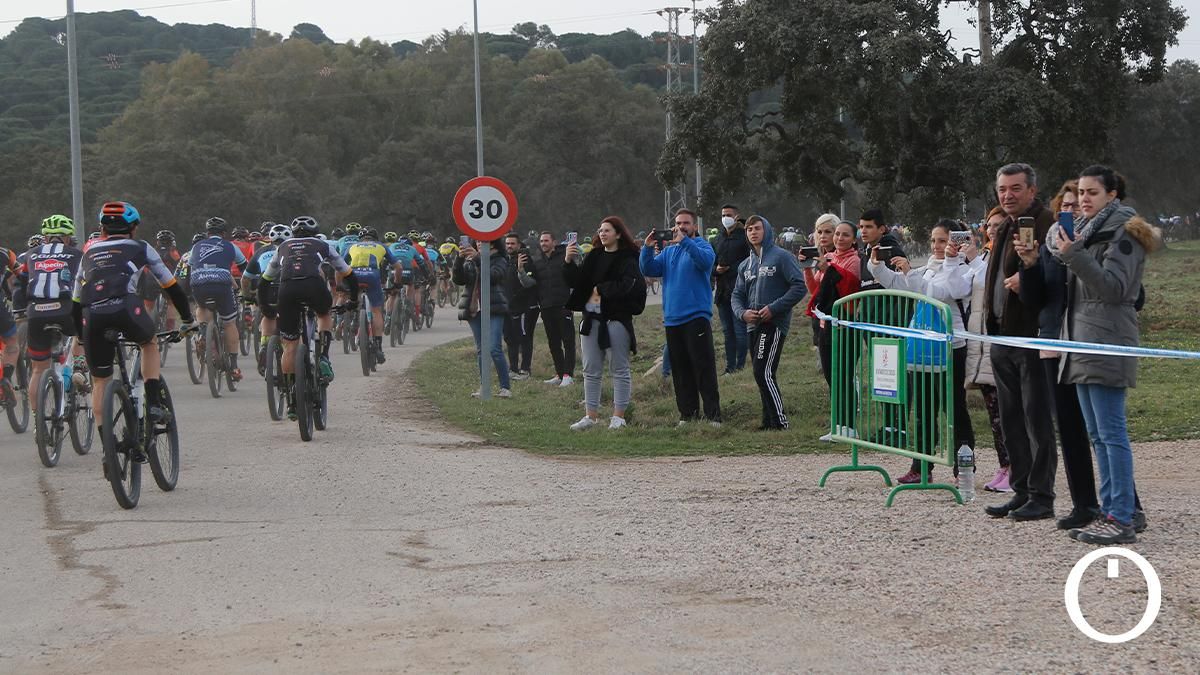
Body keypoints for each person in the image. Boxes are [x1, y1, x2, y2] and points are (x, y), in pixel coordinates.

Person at [1018, 165, 1159, 544]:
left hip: (1106, 340)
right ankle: (1110, 511)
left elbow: (1115, 289)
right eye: (1080, 192)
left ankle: (1121, 516)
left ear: (1112, 195)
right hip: (1078, 341)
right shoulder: (1083, 233)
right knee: (1097, 434)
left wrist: (1074, 255)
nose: (1083, 199)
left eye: (1092, 193)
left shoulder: (1124, 232)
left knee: (1111, 433)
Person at [72, 202, 195, 447]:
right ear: (134, 228)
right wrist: (188, 320)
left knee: (100, 381)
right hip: (126, 308)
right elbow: (171, 287)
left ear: (102, 229)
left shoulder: (89, 252)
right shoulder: (141, 247)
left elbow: (76, 301)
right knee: (149, 343)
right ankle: (154, 403)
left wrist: (81, 336)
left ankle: (108, 447)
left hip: (92, 314)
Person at [868, 219, 976, 483]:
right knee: (924, 410)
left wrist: (910, 273)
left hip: (951, 350)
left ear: (956, 242)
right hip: (923, 349)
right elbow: (900, 286)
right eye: (933, 240)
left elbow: (938, 294)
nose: (937, 246)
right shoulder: (927, 269)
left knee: (954, 409)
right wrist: (878, 266)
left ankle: (963, 468)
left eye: (943, 240)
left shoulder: (963, 270)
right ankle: (921, 467)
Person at [981, 163, 1058, 522]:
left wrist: (1028, 276)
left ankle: (1042, 495)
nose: (1008, 195)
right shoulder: (1005, 226)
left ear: (1032, 190)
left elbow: (1053, 277)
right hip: (1001, 334)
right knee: (1011, 419)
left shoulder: (1045, 223)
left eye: (1015, 188)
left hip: (1030, 334)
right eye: (1002, 189)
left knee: (1036, 419)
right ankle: (1022, 489)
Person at [260, 217, 355, 419]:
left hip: (287, 290)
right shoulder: (322, 244)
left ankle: (291, 400)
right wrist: (353, 299)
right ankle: (323, 357)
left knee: (290, 346)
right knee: (323, 313)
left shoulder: (283, 247)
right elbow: (347, 273)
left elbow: (265, 280)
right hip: (314, 286)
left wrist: (265, 306)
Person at [639, 208, 722, 427]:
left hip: (696, 316)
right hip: (673, 319)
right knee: (681, 370)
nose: (681, 227)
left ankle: (713, 415)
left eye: (686, 223)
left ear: (694, 226)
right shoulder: (669, 252)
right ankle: (688, 414)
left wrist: (685, 242)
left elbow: (705, 262)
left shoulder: (703, 246)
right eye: (678, 223)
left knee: (703, 368)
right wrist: (647, 248)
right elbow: (649, 269)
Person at [564, 216, 647, 430]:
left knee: (619, 368)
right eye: (600, 230)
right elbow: (578, 283)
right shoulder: (594, 256)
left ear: (618, 234)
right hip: (591, 319)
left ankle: (618, 417)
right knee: (590, 369)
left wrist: (601, 288)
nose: (602, 233)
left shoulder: (629, 258)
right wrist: (568, 262)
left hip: (616, 319)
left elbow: (629, 285)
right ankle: (590, 416)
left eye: (607, 230)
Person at [731, 216, 806, 430]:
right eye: (749, 229)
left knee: (762, 371)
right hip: (751, 325)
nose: (753, 232)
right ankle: (768, 423)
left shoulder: (782, 257)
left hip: (774, 324)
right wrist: (742, 313)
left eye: (757, 228)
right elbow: (737, 295)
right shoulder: (745, 264)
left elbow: (799, 287)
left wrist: (773, 308)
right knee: (761, 372)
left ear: (766, 230)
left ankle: (780, 422)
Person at [957, 207, 1012, 492]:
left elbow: (993, 283)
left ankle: (1016, 467)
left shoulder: (1008, 256)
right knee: (994, 411)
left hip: (999, 340)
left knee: (1007, 410)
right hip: (981, 342)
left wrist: (974, 260)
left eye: (999, 225)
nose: (992, 229)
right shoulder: (987, 256)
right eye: (989, 225)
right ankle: (1005, 466)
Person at [16, 215, 87, 413]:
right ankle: (79, 365)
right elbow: (86, 282)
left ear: (45, 238)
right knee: (82, 329)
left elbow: (21, 282)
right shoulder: (77, 254)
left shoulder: (31, 254)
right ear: (68, 238)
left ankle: (37, 420)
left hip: (36, 312)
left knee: (38, 369)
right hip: (66, 310)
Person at [802, 218, 861, 441]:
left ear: (853, 239)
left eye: (845, 235)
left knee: (844, 376)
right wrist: (808, 269)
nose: (839, 238)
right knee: (831, 377)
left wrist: (830, 269)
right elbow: (816, 290)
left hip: (845, 324)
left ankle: (849, 426)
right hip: (826, 325)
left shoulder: (854, 260)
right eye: (837, 234)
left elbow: (848, 289)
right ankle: (838, 424)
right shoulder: (829, 257)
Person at [187, 217, 249, 381]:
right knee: (229, 323)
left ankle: (203, 333)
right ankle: (234, 367)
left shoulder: (196, 246)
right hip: (222, 283)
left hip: (199, 282)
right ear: (224, 233)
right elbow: (245, 269)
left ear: (207, 233)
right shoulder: (231, 246)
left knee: (201, 307)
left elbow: (191, 267)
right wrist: (245, 288)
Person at [453, 238, 512, 398]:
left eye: (482, 241)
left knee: (494, 348)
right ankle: (484, 387)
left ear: (492, 243)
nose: (479, 244)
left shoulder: (500, 259)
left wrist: (479, 259)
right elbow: (459, 280)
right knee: (481, 350)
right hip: (475, 309)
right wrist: (459, 259)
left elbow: (495, 276)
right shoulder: (470, 259)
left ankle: (505, 387)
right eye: (477, 241)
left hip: (494, 308)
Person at [527, 231, 576, 386]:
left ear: (554, 242)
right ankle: (559, 374)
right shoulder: (537, 262)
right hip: (546, 307)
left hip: (563, 305)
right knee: (553, 343)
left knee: (568, 341)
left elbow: (573, 277)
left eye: (546, 240)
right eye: (541, 241)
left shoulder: (564, 257)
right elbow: (533, 283)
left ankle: (568, 375)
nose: (543, 243)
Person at [346, 228, 401, 364]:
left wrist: (340, 285)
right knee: (376, 311)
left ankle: (354, 318)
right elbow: (398, 267)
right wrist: (396, 284)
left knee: (353, 297)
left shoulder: (352, 246)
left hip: (354, 276)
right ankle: (378, 345)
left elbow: (339, 265)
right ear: (375, 238)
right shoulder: (381, 246)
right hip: (372, 275)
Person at [242, 223, 291, 373]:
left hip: (267, 289)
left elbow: (245, 279)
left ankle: (264, 346)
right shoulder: (293, 249)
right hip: (288, 288)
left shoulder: (261, 251)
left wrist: (247, 297)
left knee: (268, 316)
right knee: (292, 316)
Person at [713, 203, 751, 374]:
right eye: (723, 215)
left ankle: (740, 365)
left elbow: (750, 261)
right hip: (722, 292)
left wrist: (733, 268)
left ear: (736, 217)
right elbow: (711, 262)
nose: (725, 218)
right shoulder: (717, 239)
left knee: (739, 330)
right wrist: (716, 270)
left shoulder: (745, 238)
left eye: (728, 215)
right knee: (727, 332)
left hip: (739, 290)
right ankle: (730, 367)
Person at [501, 232, 539, 380]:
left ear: (518, 245)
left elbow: (530, 283)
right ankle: (513, 369)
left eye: (512, 243)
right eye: (507, 243)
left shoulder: (525, 260)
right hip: (508, 307)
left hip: (524, 307)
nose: (509, 246)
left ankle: (525, 369)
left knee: (524, 338)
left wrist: (521, 269)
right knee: (510, 339)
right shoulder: (506, 260)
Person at [858, 208, 907, 291]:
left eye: (868, 227)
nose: (863, 231)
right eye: (861, 227)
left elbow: (902, 285)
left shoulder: (893, 252)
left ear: (881, 229)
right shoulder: (864, 255)